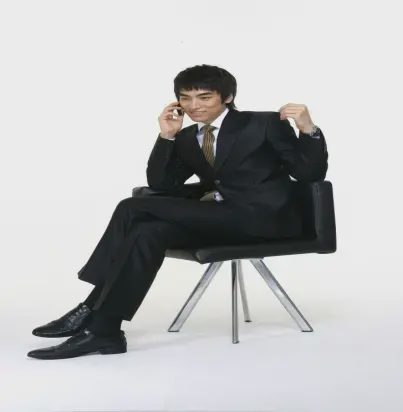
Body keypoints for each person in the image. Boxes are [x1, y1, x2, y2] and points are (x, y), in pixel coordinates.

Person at [27, 64, 328, 360]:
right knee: (147, 232)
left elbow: (309, 173)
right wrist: (167, 137)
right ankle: (105, 331)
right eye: (185, 98)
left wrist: (308, 130)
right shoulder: (187, 137)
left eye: (204, 97)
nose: (194, 106)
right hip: (220, 218)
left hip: (264, 219)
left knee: (131, 206)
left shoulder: (263, 123)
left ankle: (87, 309)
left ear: (227, 97)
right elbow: (162, 184)